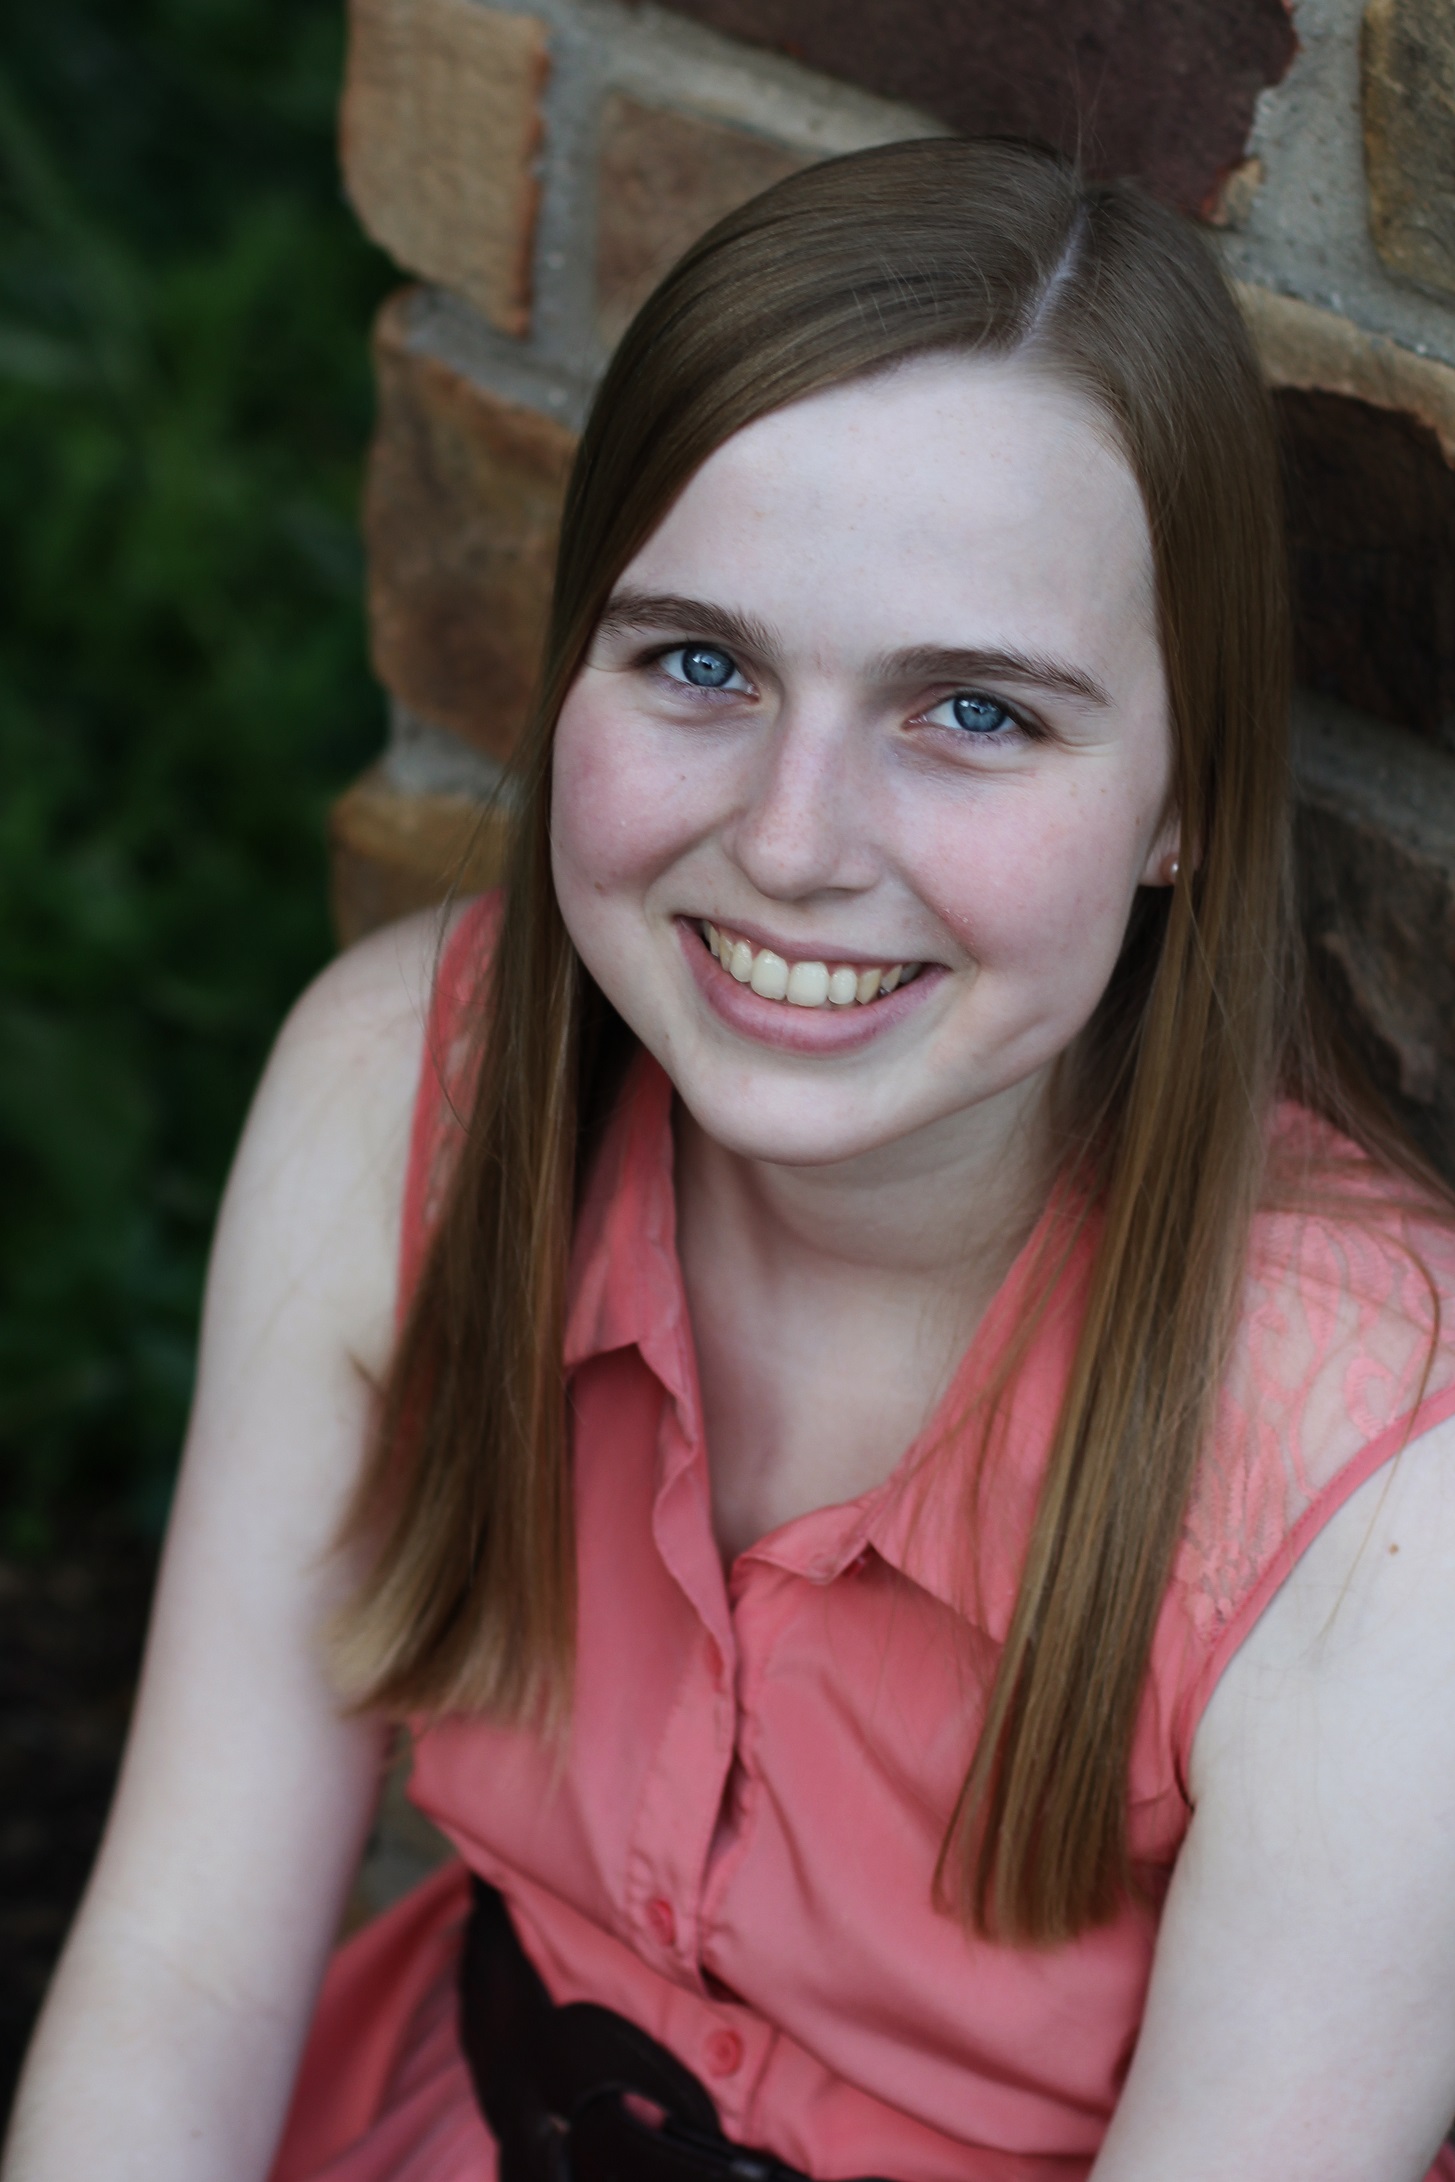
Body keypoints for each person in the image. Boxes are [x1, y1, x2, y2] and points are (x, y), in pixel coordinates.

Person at [8, 134, 1455, 2182]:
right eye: (699, 659)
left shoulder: (1384, 1493)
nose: (789, 838)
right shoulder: (395, 1093)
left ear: (1181, 803)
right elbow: (181, 1963)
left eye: (968, 710)